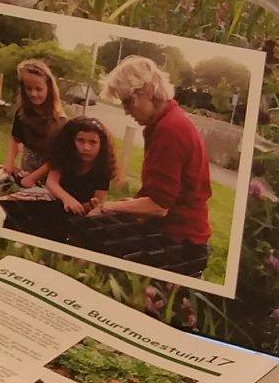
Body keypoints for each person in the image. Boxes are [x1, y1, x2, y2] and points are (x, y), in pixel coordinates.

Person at [91, 55, 213, 274]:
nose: (126, 111)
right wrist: (129, 203)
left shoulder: (170, 129)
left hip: (181, 244)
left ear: (147, 91)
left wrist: (107, 207)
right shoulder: (166, 122)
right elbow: (160, 195)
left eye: (128, 102)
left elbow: (158, 206)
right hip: (176, 235)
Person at [5, 58, 65, 188]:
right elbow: (15, 139)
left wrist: (33, 177)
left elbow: (57, 158)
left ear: (49, 88)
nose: (33, 93)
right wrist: (9, 163)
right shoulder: (22, 113)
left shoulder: (59, 120)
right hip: (26, 171)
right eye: (29, 88)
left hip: (50, 179)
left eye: (38, 89)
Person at [43, 114, 117, 217]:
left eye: (93, 142)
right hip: (55, 204)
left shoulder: (103, 169)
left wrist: (92, 207)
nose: (86, 147)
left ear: (102, 145)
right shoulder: (65, 157)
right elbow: (51, 182)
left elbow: (98, 202)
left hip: (81, 214)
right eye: (80, 140)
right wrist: (67, 199)